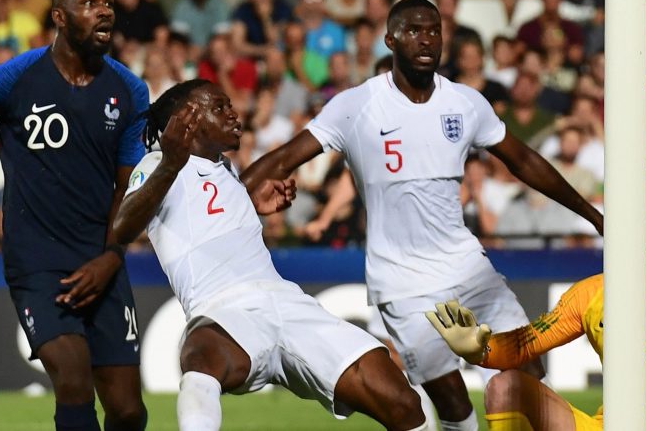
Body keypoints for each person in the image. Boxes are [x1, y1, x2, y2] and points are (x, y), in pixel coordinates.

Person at [242, 0, 604, 431]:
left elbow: (524, 161)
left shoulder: (465, 103)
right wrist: (236, 200)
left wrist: (593, 214)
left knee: (526, 371)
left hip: (467, 268)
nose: (426, 38)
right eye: (414, 30)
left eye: (433, 29)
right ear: (390, 39)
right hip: (402, 281)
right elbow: (280, 160)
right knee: (449, 398)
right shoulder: (357, 105)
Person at [112, 80, 429, 431]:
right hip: (225, 310)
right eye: (218, 107)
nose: (234, 113)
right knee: (201, 356)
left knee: (402, 400)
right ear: (187, 120)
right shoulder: (158, 164)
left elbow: (209, 212)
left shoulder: (226, 170)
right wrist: (171, 162)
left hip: (287, 301)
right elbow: (122, 228)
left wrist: (248, 202)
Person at [426, 181, 646, 430]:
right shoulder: (592, 292)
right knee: (505, 386)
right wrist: (479, 351)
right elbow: (522, 347)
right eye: (643, 200)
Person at [0, 0, 149, 430]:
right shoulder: (16, 78)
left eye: (109, 3)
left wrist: (112, 258)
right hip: (37, 264)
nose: (105, 10)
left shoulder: (130, 91)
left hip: (103, 261)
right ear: (59, 16)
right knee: (73, 382)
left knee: (128, 410)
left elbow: (130, 188)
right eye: (91, 2)